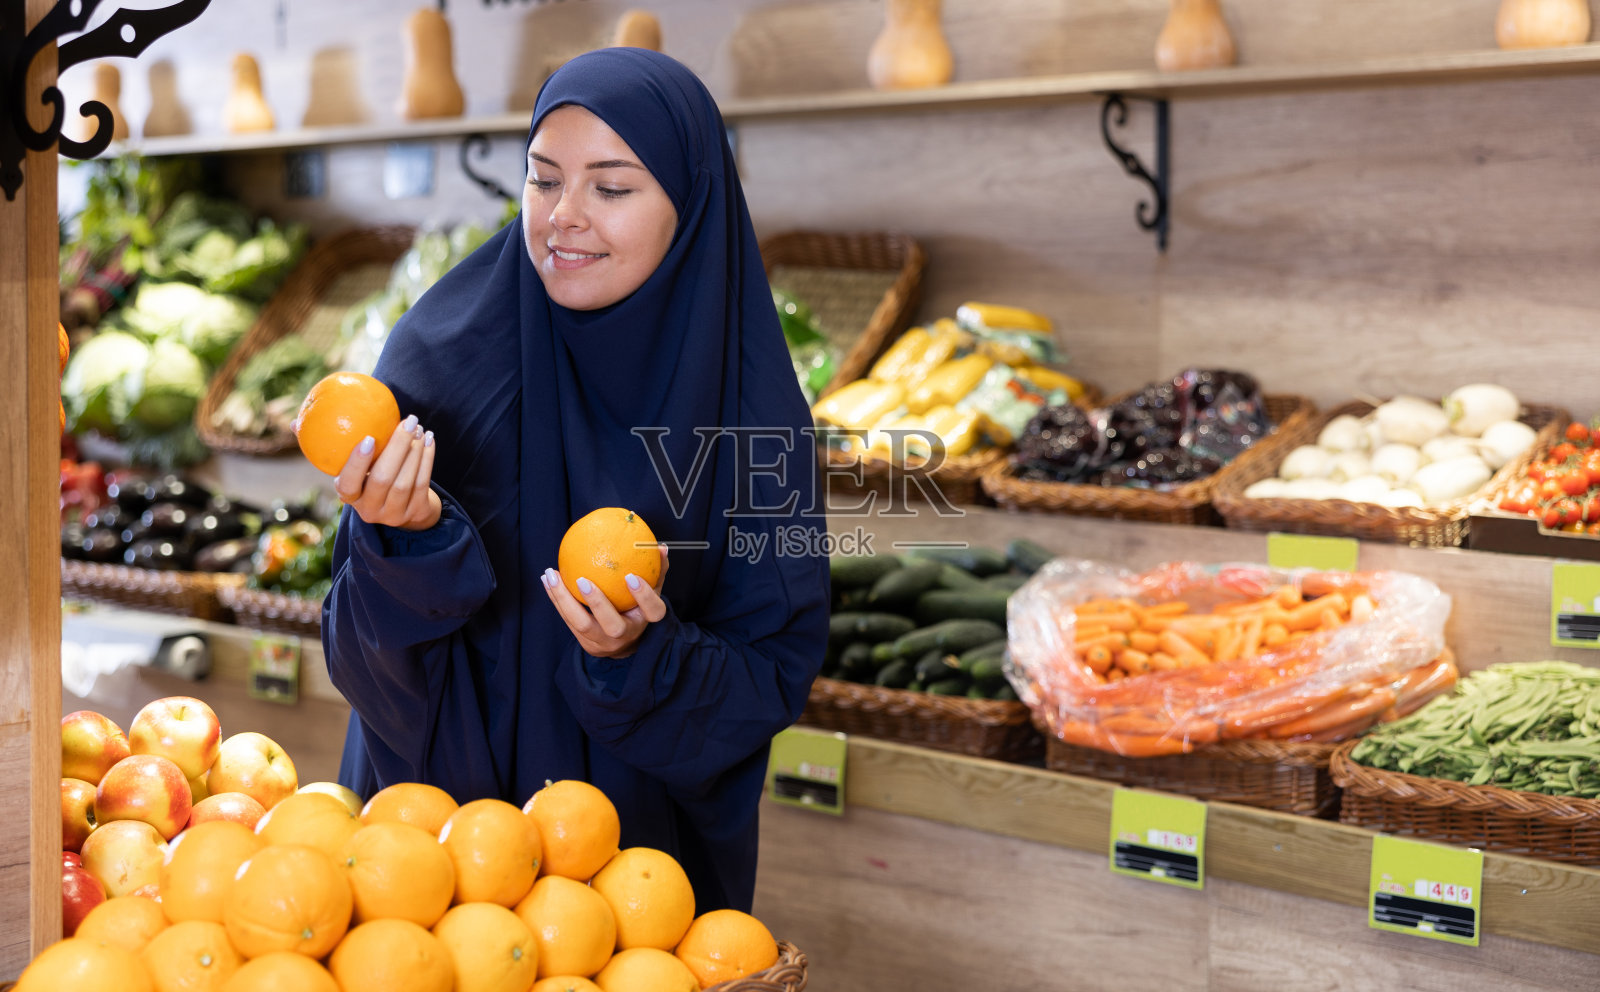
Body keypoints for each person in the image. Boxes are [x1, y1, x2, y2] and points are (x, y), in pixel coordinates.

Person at [317, 47, 830, 914]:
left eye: (612, 188)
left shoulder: (755, 420)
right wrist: (404, 545)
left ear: (691, 203)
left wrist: (639, 658)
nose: (564, 217)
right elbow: (358, 658)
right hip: (427, 856)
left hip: (626, 870)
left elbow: (771, 675)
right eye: (543, 180)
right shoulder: (435, 363)